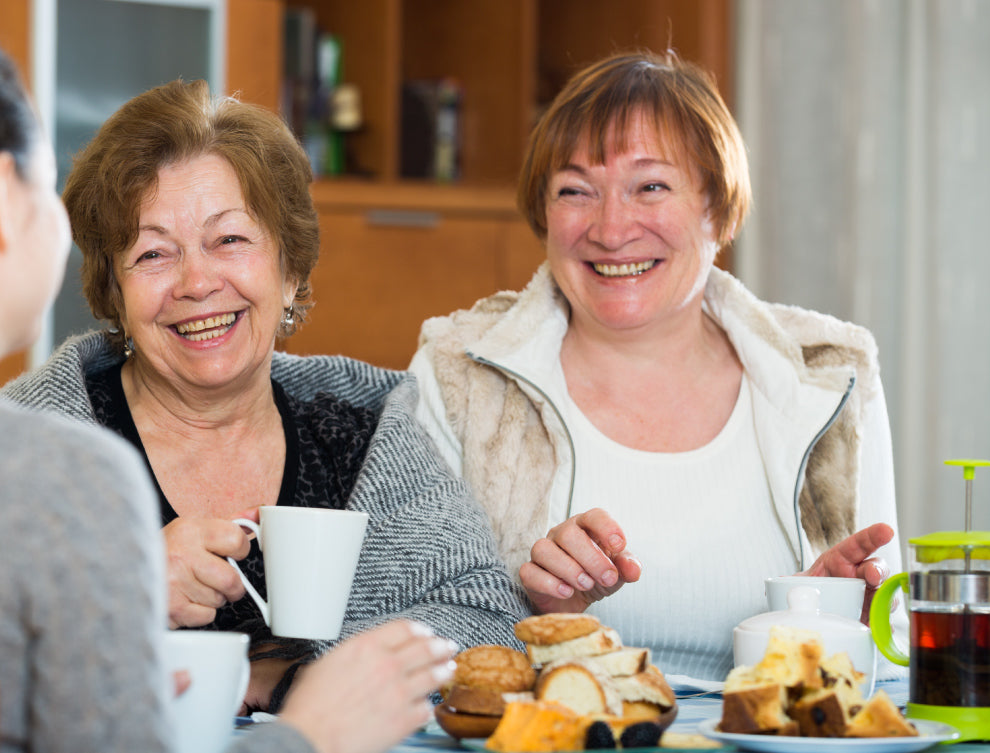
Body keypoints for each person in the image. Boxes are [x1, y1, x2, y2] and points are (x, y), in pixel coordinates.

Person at [1, 76, 528, 711]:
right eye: (153, 255)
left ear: (290, 269)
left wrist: (293, 682)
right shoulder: (35, 435)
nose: (197, 283)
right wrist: (114, 592)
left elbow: (489, 623)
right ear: (113, 292)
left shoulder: (363, 428)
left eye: (229, 240)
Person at [409, 50, 906, 681]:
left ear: (717, 209)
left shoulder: (830, 375)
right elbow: (399, 637)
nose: (612, 230)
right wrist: (532, 615)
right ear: (542, 215)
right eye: (575, 191)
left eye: (651, 186)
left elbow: (894, 657)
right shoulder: (457, 374)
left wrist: (825, 632)